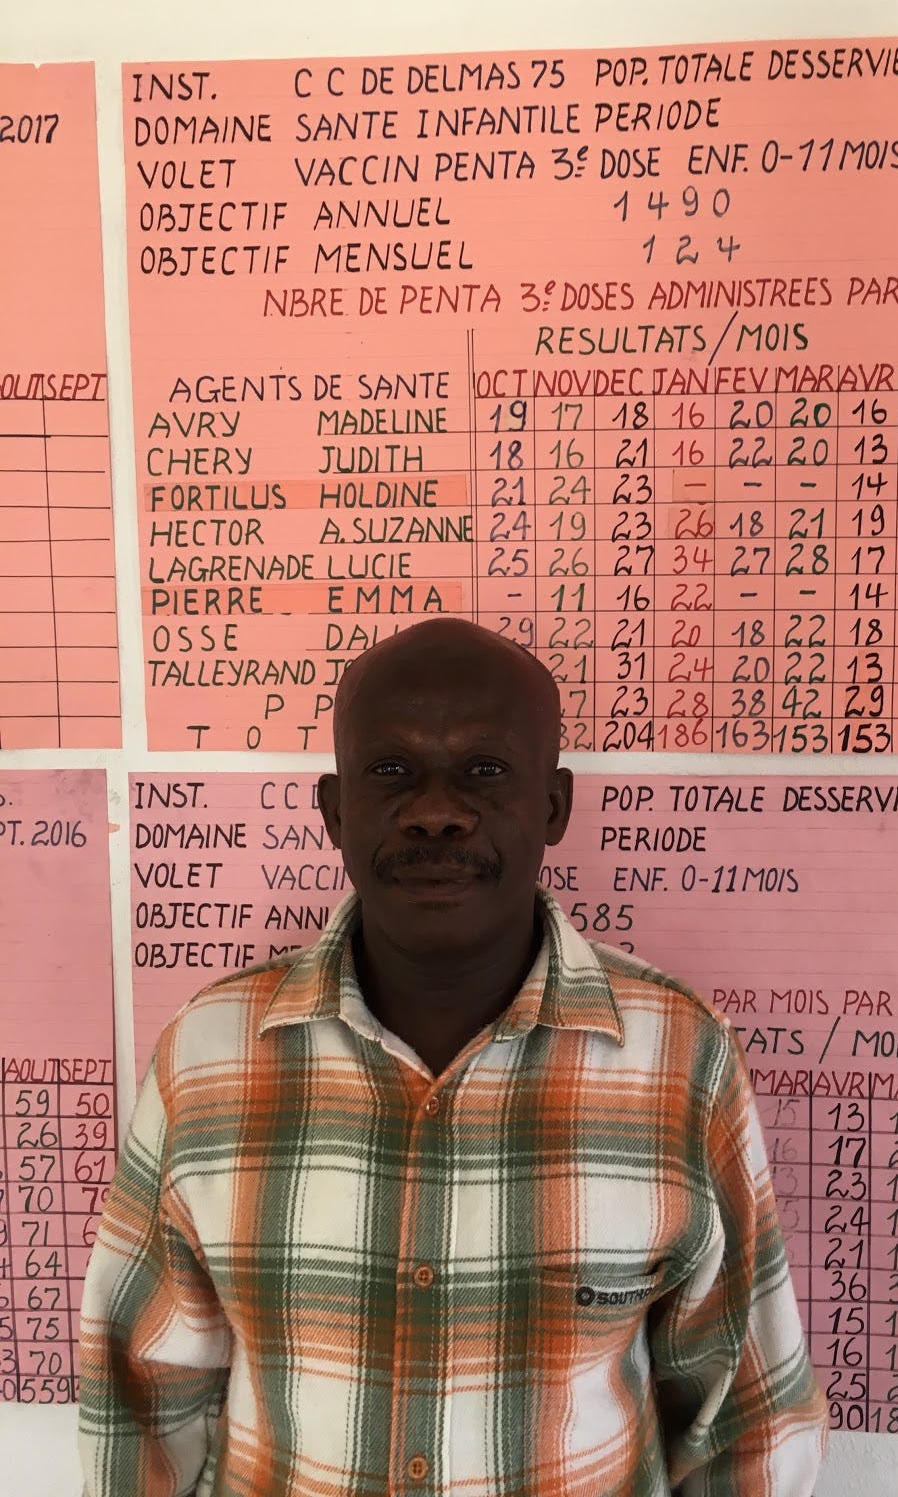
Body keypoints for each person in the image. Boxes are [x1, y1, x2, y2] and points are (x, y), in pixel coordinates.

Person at [79, 618, 826, 1495]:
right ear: (335, 811)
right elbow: (139, 1401)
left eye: (486, 770)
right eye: (391, 770)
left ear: (554, 806)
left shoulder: (681, 1061)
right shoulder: (207, 1057)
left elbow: (745, 1419)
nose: (436, 810)